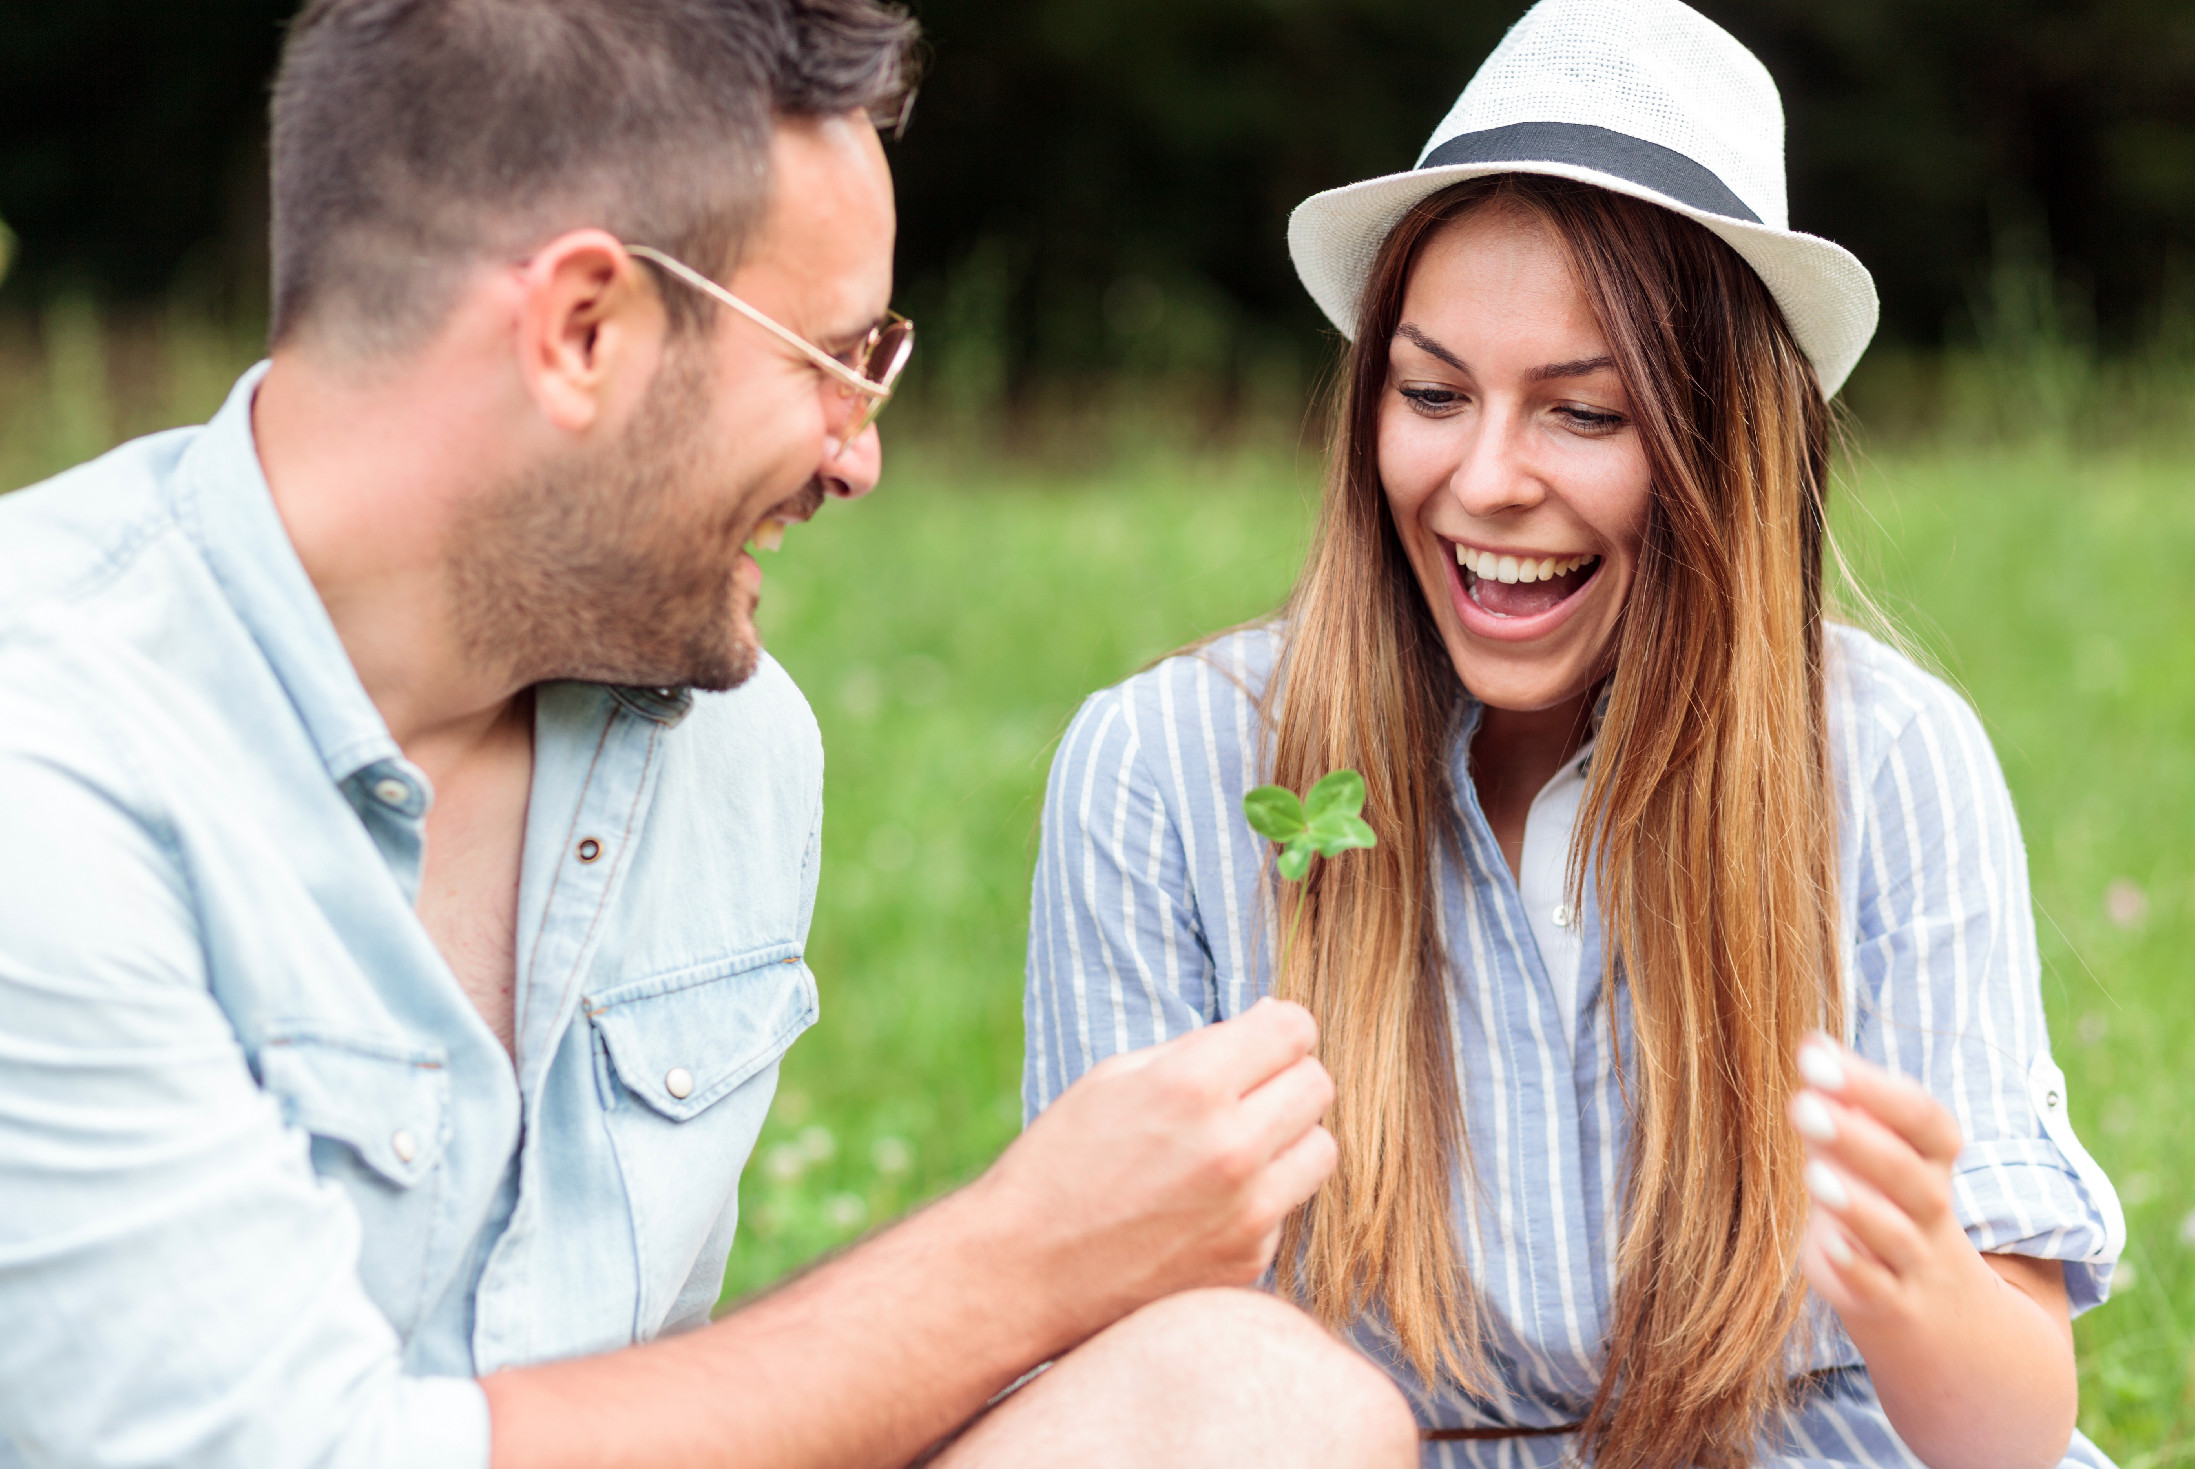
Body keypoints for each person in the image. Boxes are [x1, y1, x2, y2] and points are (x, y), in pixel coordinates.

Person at [0, 2, 1422, 1466]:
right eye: (830, 359)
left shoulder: (735, 751)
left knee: (1258, 1404)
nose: (860, 454)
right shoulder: (48, 757)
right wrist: (1013, 1262)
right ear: (582, 330)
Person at [1025, 2, 2126, 1465]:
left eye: (1584, 414)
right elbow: (1118, 1388)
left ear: (1722, 447)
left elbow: (2006, 1436)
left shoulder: (1888, 759)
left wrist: (1921, 1267)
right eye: (1430, 393)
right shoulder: (1166, 768)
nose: (1484, 479)